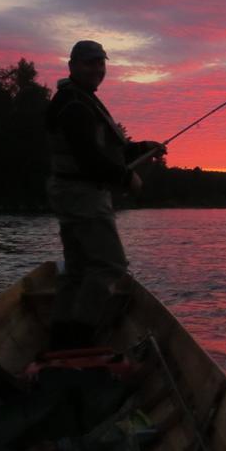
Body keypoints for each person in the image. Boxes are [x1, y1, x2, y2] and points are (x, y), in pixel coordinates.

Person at [45, 40, 164, 349]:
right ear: (72, 66)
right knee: (110, 266)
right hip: (82, 194)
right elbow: (89, 159)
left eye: (100, 62)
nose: (97, 68)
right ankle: (81, 337)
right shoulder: (75, 106)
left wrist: (140, 148)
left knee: (78, 269)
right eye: (89, 62)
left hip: (71, 192)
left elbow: (106, 151)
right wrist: (128, 178)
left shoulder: (81, 100)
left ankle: (60, 335)